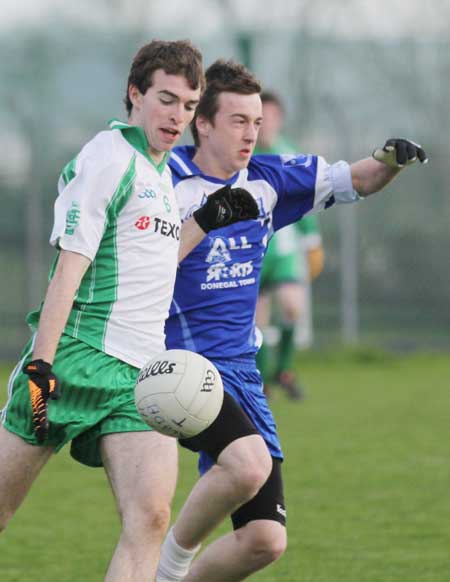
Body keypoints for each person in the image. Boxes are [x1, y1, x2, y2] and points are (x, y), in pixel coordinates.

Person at [156, 59, 428, 582]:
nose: (251, 134)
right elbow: (141, 269)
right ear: (203, 123)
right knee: (248, 465)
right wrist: (202, 219)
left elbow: (358, 179)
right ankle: (166, 568)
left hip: (241, 371)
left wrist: (390, 160)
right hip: (178, 366)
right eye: (238, 121)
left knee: (264, 540)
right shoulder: (162, 180)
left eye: (257, 122)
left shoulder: (269, 179)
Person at [0, 41, 259, 582]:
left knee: (150, 518)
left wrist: (205, 220)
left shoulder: (162, 174)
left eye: (189, 106)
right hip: (74, 358)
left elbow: (158, 262)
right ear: (135, 94)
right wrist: (40, 366)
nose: (177, 116)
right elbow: (70, 265)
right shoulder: (108, 159)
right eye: (166, 100)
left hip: (140, 378)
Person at [255, 91, 325, 400]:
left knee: (292, 308)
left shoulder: (290, 155)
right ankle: (261, 381)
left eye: (270, 117)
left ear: (279, 120)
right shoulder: (243, 156)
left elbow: (305, 202)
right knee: (255, 323)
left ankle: (283, 370)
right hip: (253, 252)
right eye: (259, 118)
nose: (265, 124)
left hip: (283, 254)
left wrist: (312, 242)